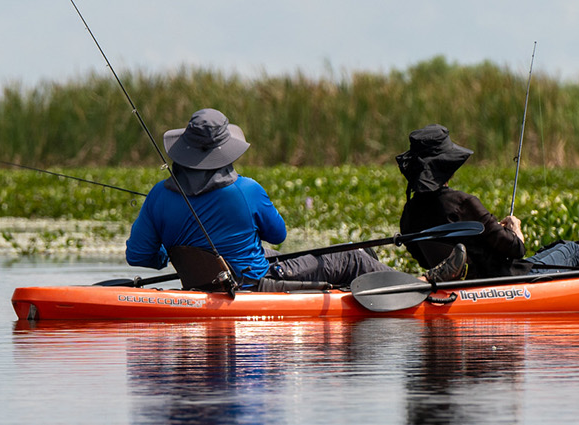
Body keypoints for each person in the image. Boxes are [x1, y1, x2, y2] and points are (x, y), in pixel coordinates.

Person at [126, 108, 397, 290]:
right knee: (350, 256)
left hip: (205, 285)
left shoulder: (158, 195)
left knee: (277, 256)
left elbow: (138, 254)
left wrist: (173, 255)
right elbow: (278, 233)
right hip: (255, 285)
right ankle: (415, 289)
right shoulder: (248, 190)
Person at [394, 124, 579, 282]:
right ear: (447, 166)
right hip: (507, 280)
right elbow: (516, 249)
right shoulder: (463, 203)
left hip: (465, 282)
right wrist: (514, 229)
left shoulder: (409, 213)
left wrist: (485, 239)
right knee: (572, 249)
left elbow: (424, 260)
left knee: (554, 249)